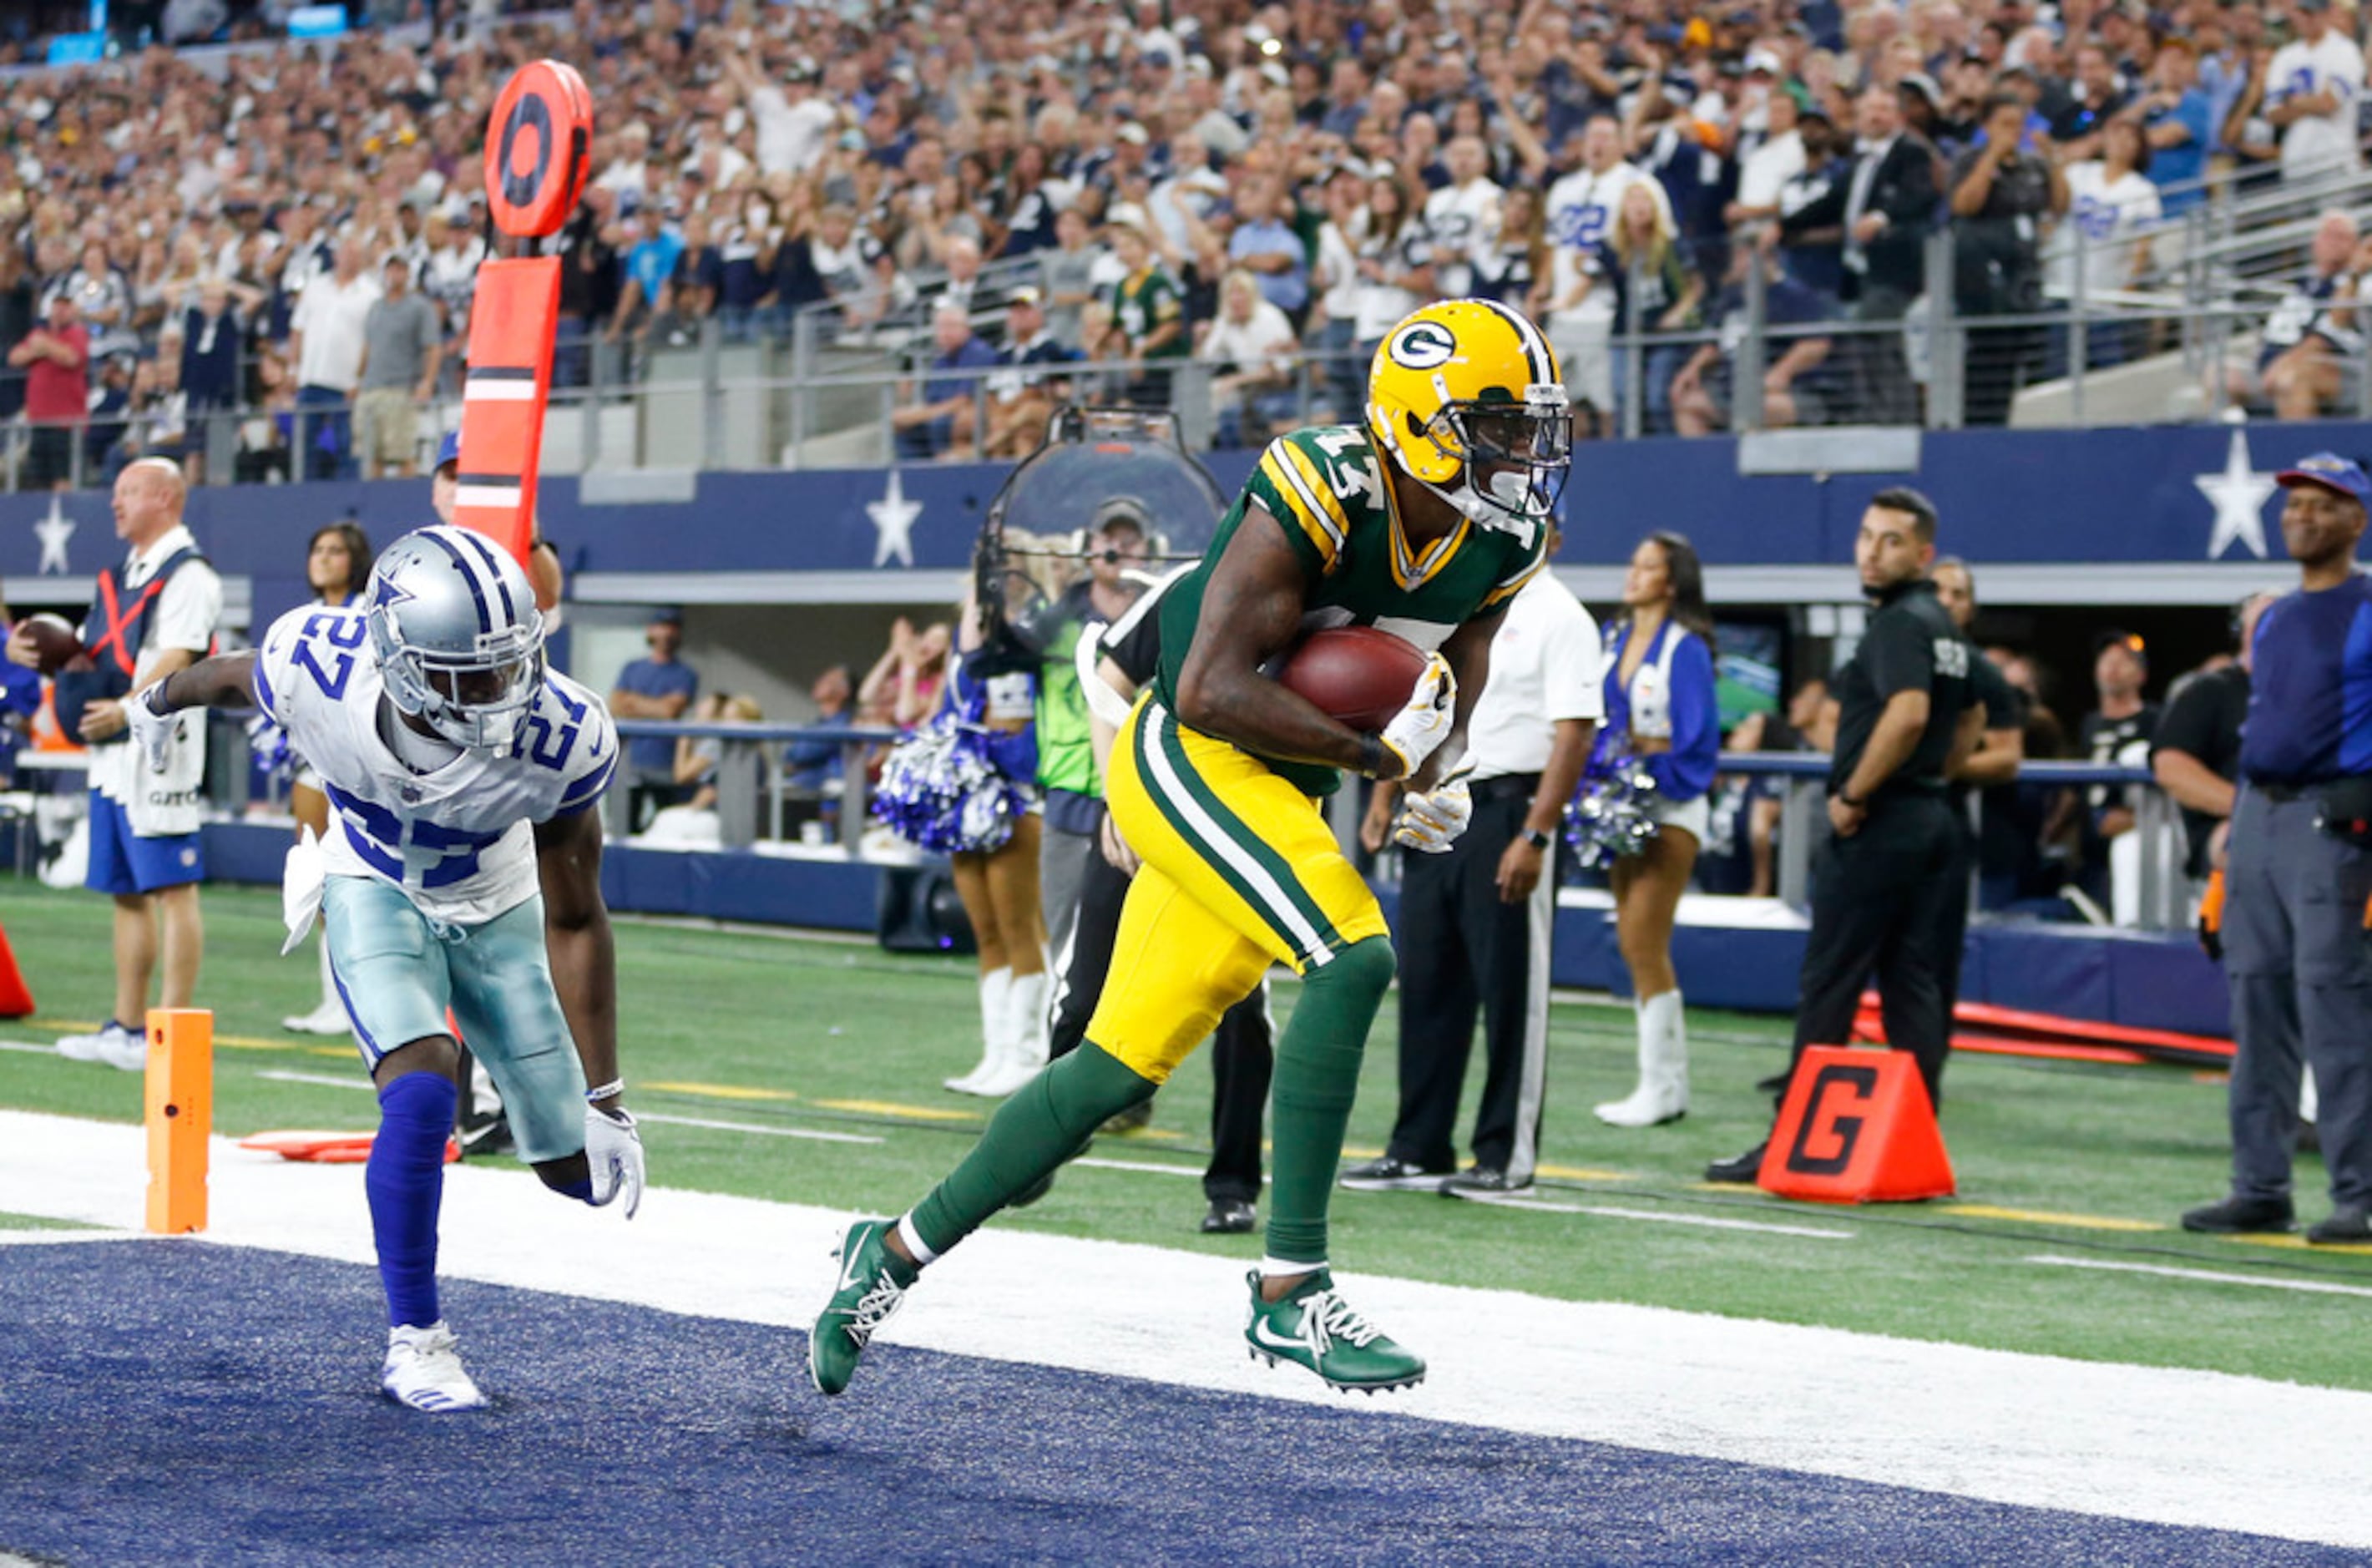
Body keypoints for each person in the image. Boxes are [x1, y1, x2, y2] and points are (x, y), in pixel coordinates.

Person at [809, 300, 1573, 1399]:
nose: (1523, 451)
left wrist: (1436, 766)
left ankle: (883, 1256)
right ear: (1416, 420)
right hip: (1192, 753)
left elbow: (1463, 661)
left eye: (1531, 424)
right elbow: (1209, 688)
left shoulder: (1505, 537)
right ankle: (1289, 1289)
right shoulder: (1319, 484)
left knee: (1104, 1076)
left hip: (1287, 786)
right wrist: (1373, 753)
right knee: (1352, 957)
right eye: (1497, 422)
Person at [123, 524, 641, 1410]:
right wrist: (152, 702)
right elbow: (226, 675)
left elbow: (577, 913)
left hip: (497, 901)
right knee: (424, 1085)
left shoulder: (563, 734)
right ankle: (417, 1341)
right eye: (471, 674)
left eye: (512, 663)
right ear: (398, 662)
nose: (502, 691)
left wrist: (605, 1095)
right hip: (372, 878)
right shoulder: (320, 665)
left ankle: (555, 1127)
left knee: (573, 1174)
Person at [1709, 488, 1982, 1181]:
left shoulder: (1897, 623)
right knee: (1914, 989)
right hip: (1933, 819)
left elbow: (1910, 713)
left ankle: (1789, 1141)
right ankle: (1910, 1140)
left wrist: (1856, 790)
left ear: (1921, 554)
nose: (1870, 550)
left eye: (1889, 540)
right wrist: (1934, 778)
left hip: (1883, 821)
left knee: (1829, 982)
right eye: (1865, 536)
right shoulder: (1944, 626)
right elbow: (1974, 715)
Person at [1345, 522, 1601, 1190]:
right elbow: (1424, 707)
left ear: (1556, 535)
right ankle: (1417, 1143)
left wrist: (1536, 835)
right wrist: (1387, 798)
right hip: (1438, 802)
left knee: (1510, 990)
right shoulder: (1465, 603)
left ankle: (1502, 1155)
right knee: (1427, 983)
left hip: (1509, 811)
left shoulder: (1561, 615)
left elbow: (1573, 735)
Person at [2182, 454, 2372, 1244]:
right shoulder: (2274, 617)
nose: (2301, 514)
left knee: (2335, 1007)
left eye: (2323, 504)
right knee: (2254, 1004)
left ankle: (2360, 1194)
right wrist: (2234, 837)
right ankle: (2258, 1186)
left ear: (2356, 520)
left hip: (2332, 821)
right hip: (2257, 814)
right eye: (2293, 501)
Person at [14, 459, 220, 1072]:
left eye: (128, 491)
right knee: (127, 893)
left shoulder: (191, 574)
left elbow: (179, 657)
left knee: (172, 890)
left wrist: (127, 711)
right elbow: (88, 654)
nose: (114, 502)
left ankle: (170, 1034)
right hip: (112, 753)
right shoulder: (123, 575)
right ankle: (127, 1028)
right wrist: (26, 651)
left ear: (165, 497)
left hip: (161, 749)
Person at [1588, 533, 1720, 1128]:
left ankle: (1662, 1086)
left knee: (1643, 940)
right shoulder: (1612, 637)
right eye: (1633, 562)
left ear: (1671, 582)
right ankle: (1663, 1084)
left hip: (1669, 806)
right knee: (1630, 937)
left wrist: (1646, 757)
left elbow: (1693, 740)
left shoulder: (1684, 648)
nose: (1633, 575)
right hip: (1617, 802)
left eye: (1647, 567)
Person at [932, 581, 1051, 1100]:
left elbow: (1020, 744)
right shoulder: (963, 656)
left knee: (1020, 926)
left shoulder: (1019, 652)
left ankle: (1027, 1054)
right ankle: (997, 1052)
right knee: (984, 931)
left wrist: (982, 744)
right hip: (967, 801)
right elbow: (945, 718)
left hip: (1014, 800)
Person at [1780, 84, 1938, 425]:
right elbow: (1830, 204)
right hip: (1860, 274)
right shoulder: (1859, 161)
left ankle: (1897, 419)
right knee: (1869, 341)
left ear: (1898, 116)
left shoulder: (1910, 153)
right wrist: (1781, 226)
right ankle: (1881, 416)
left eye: (1884, 108)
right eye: (1870, 109)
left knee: (1875, 334)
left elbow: (1920, 195)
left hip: (1897, 270)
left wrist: (1882, 217)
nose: (1876, 115)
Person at [281, 521, 375, 1036]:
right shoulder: (304, 619)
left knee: (355, 879)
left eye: (336, 550)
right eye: (318, 549)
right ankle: (332, 999)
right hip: (310, 762)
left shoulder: (370, 614)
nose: (324, 558)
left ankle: (360, 1001)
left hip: (359, 767)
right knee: (314, 876)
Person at [1929, 558, 2026, 1021]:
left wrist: (1944, 766)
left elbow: (2008, 756)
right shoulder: (1885, 651)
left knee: (1935, 948)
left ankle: (1923, 1060)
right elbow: (1830, 722)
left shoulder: (1982, 673)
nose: (1946, 601)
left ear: (1971, 608)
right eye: (1938, 590)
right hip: (1871, 815)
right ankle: (1821, 1054)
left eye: (1958, 594)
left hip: (1943, 820)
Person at [1950, 93, 2067, 427]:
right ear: (1987, 126)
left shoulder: (2033, 165)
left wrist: (2055, 163)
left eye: (2019, 124)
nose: (2013, 132)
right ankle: (1979, 426)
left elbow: (2059, 206)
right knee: (1987, 361)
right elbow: (1964, 205)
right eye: (2005, 124)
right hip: (1983, 281)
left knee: (2031, 354)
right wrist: (1991, 158)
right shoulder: (1969, 159)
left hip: (2026, 276)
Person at [2152, 593, 2276, 893]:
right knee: (2254, 840)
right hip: (2230, 828)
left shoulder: (2316, 694)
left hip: (2311, 823)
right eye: (2263, 621)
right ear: (2242, 632)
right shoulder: (2210, 691)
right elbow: (2171, 768)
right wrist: (2249, 807)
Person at [2076, 630, 2160, 916]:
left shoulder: (2153, 721)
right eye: (2106, 660)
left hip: (2133, 839)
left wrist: (2139, 818)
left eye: (2123, 662)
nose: (2112, 668)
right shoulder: (2089, 723)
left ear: (2141, 675)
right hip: (2089, 851)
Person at [290, 240, 379, 481]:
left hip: (345, 382)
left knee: (346, 443)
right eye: (347, 252)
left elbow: (370, 341)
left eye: (356, 253)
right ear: (337, 256)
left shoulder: (371, 294)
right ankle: (303, 488)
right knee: (304, 441)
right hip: (310, 377)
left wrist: (359, 378)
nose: (350, 258)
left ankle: (346, 492)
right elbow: (298, 329)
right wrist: (292, 368)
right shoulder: (315, 286)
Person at [609, 608, 700, 832]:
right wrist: (656, 705)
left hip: (665, 765)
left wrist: (634, 702)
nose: (666, 634)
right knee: (625, 827)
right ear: (651, 631)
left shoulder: (685, 673)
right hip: (630, 763)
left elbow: (670, 711)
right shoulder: (632, 668)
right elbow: (616, 705)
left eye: (672, 628)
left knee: (665, 828)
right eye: (661, 627)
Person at [354, 255, 443, 480]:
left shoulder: (419, 307)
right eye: (392, 269)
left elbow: (432, 347)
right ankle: (373, 500)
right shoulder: (375, 307)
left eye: (401, 269)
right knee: (370, 453)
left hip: (401, 387)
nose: (396, 274)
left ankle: (404, 500)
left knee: (402, 452)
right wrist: (358, 379)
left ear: (408, 274)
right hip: (371, 387)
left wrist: (427, 382)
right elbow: (368, 345)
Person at [2265, 0, 2364, 188]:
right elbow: (2273, 113)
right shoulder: (2286, 56)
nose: (2307, 19)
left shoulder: (2345, 50)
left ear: (2326, 14)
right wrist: (2313, 103)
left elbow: (2328, 103)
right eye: (2302, 12)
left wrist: (2291, 99)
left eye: (2312, 13)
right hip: (2295, 162)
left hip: (2335, 160)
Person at [10, 291, 89, 492]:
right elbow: (15, 357)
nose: (60, 312)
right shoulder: (39, 335)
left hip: (65, 422)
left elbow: (71, 358)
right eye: (57, 307)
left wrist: (45, 347)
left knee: (63, 477)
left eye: (65, 307)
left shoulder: (76, 333)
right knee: (37, 478)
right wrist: (43, 349)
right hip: (38, 420)